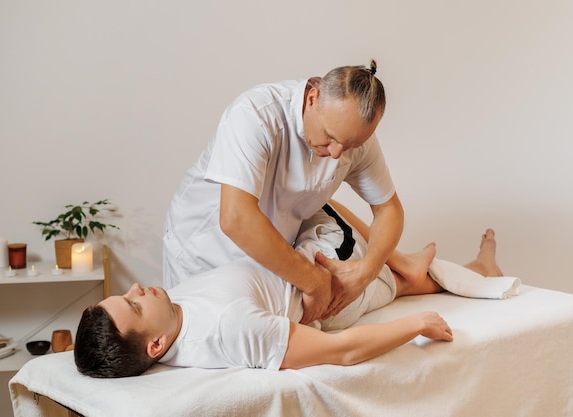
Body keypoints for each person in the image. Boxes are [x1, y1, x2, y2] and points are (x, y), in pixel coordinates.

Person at [75, 204, 505, 378]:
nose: (137, 288)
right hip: (330, 287)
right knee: (321, 196)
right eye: (133, 303)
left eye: (126, 292)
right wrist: (416, 325)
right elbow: (341, 351)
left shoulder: (172, 312)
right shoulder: (231, 328)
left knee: (288, 201)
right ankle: (435, 265)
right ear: (155, 345)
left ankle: (469, 268)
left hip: (301, 264)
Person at [163, 60, 403, 324]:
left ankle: (410, 275)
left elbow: (388, 209)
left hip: (268, 255)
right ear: (313, 97)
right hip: (203, 248)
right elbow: (235, 218)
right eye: (330, 136)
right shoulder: (255, 115)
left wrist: (367, 270)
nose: (336, 153)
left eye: (350, 145)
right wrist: (313, 282)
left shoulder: (354, 140)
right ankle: (411, 274)